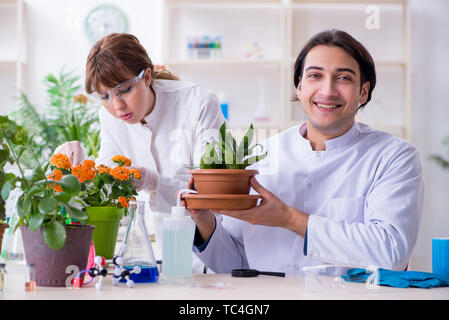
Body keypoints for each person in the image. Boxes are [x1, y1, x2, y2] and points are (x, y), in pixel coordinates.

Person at [188, 29, 424, 275]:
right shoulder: (261, 155)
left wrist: (290, 219)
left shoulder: (394, 157)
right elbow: (237, 266)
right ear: (300, 88)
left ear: (363, 92)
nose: (328, 90)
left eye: (343, 78)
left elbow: (392, 253)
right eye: (315, 76)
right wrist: (204, 221)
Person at [55, 33, 225, 273]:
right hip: (146, 256)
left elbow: (212, 190)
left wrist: (154, 182)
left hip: (203, 252)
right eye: (104, 96)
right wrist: (77, 166)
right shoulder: (109, 117)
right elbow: (108, 181)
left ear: (146, 76)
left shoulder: (197, 103)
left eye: (124, 90)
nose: (117, 106)